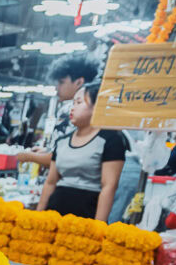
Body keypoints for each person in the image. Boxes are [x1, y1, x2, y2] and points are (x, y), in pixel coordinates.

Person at [37, 81, 126, 221]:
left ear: (97, 107)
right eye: (73, 103)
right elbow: (50, 182)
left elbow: (109, 187)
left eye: (79, 103)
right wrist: (38, 216)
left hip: (86, 214)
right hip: (55, 212)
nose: (72, 108)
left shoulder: (111, 140)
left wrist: (99, 226)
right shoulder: (62, 142)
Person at [15, 56, 98, 170]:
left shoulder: (70, 109)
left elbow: (62, 158)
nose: (56, 87)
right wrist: (47, 151)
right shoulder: (96, 109)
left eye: (61, 82)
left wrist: (28, 156)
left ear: (79, 82)